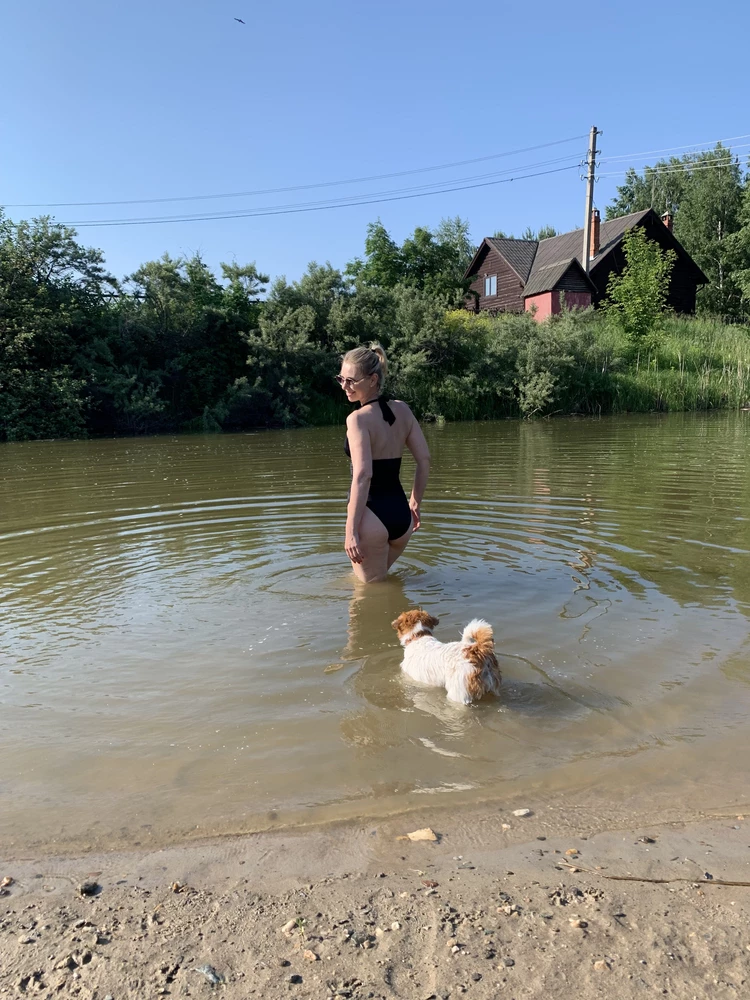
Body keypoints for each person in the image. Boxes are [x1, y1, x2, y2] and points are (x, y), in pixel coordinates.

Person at [337, 343, 430, 583]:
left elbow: (363, 475)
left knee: (367, 597)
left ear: (372, 379)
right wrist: (415, 503)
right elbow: (424, 459)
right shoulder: (404, 410)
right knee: (374, 584)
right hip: (401, 518)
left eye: (351, 381)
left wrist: (350, 532)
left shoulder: (357, 420)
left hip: (370, 520)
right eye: (341, 379)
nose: (345, 387)